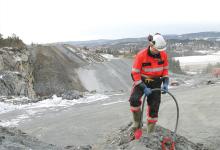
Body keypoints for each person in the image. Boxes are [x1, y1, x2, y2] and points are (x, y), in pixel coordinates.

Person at [129, 33, 169, 138]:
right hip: (142, 81)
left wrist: (165, 83)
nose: (159, 52)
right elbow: (135, 73)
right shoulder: (141, 55)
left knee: (154, 106)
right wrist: (143, 87)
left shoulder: (163, 55)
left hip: (156, 82)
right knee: (134, 100)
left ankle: (150, 132)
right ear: (151, 45)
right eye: (157, 50)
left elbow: (165, 70)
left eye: (161, 50)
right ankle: (137, 124)